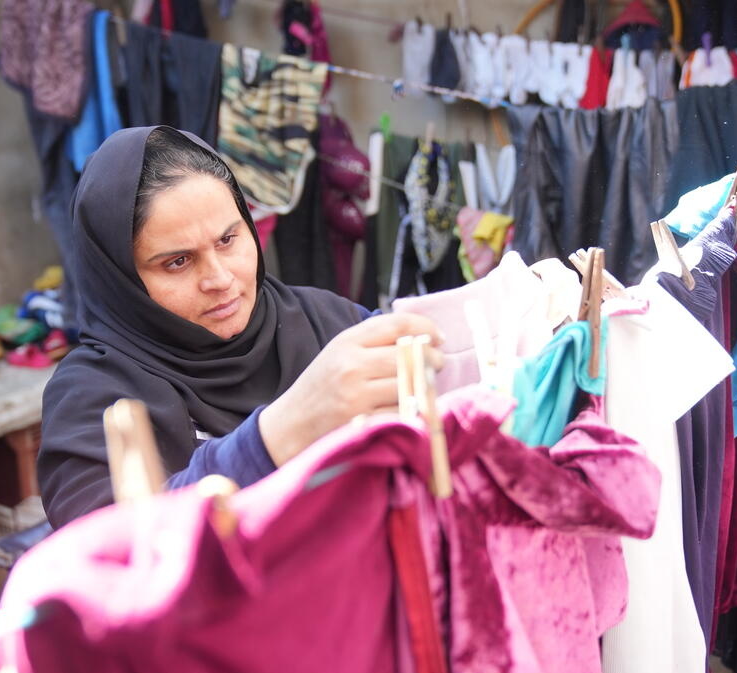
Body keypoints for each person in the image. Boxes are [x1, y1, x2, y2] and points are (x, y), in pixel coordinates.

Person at [38, 126, 444, 528]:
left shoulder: (326, 321)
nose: (220, 279)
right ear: (119, 277)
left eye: (228, 239)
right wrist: (277, 435)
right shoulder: (91, 401)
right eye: (177, 261)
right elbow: (108, 555)